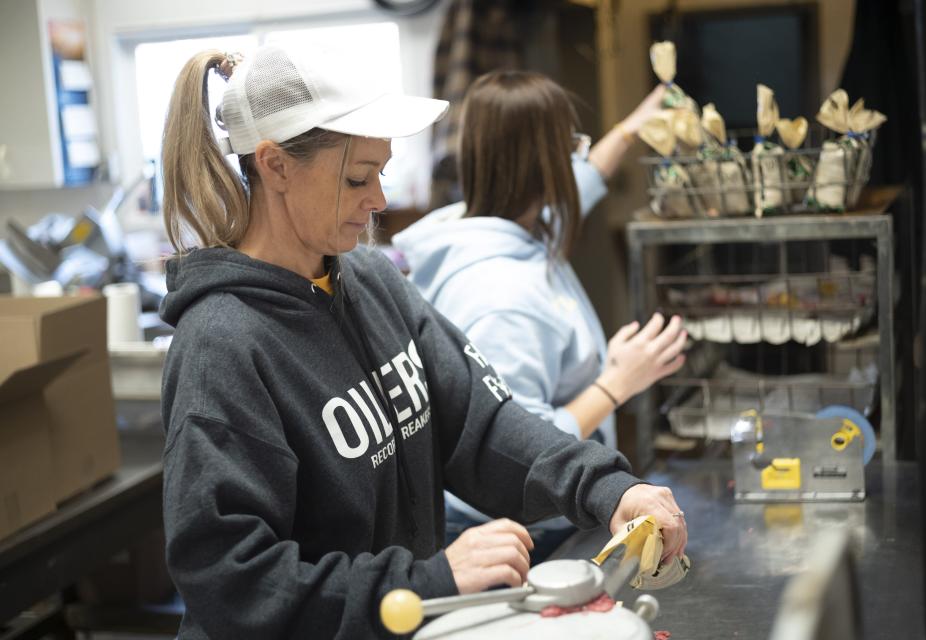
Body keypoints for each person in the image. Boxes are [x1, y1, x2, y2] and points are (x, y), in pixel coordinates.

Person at [159, 44, 687, 639]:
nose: (379, 199)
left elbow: (481, 424)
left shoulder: (369, 277)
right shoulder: (222, 345)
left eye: (380, 172)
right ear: (276, 165)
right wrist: (424, 582)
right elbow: (233, 581)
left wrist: (607, 487)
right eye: (358, 176)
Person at [394, 70, 688, 563]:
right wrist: (618, 382)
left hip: (535, 518)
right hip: (523, 531)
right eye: (571, 145)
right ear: (545, 163)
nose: (579, 158)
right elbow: (518, 445)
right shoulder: (499, 296)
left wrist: (636, 124)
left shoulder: (491, 223)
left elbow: (585, 178)